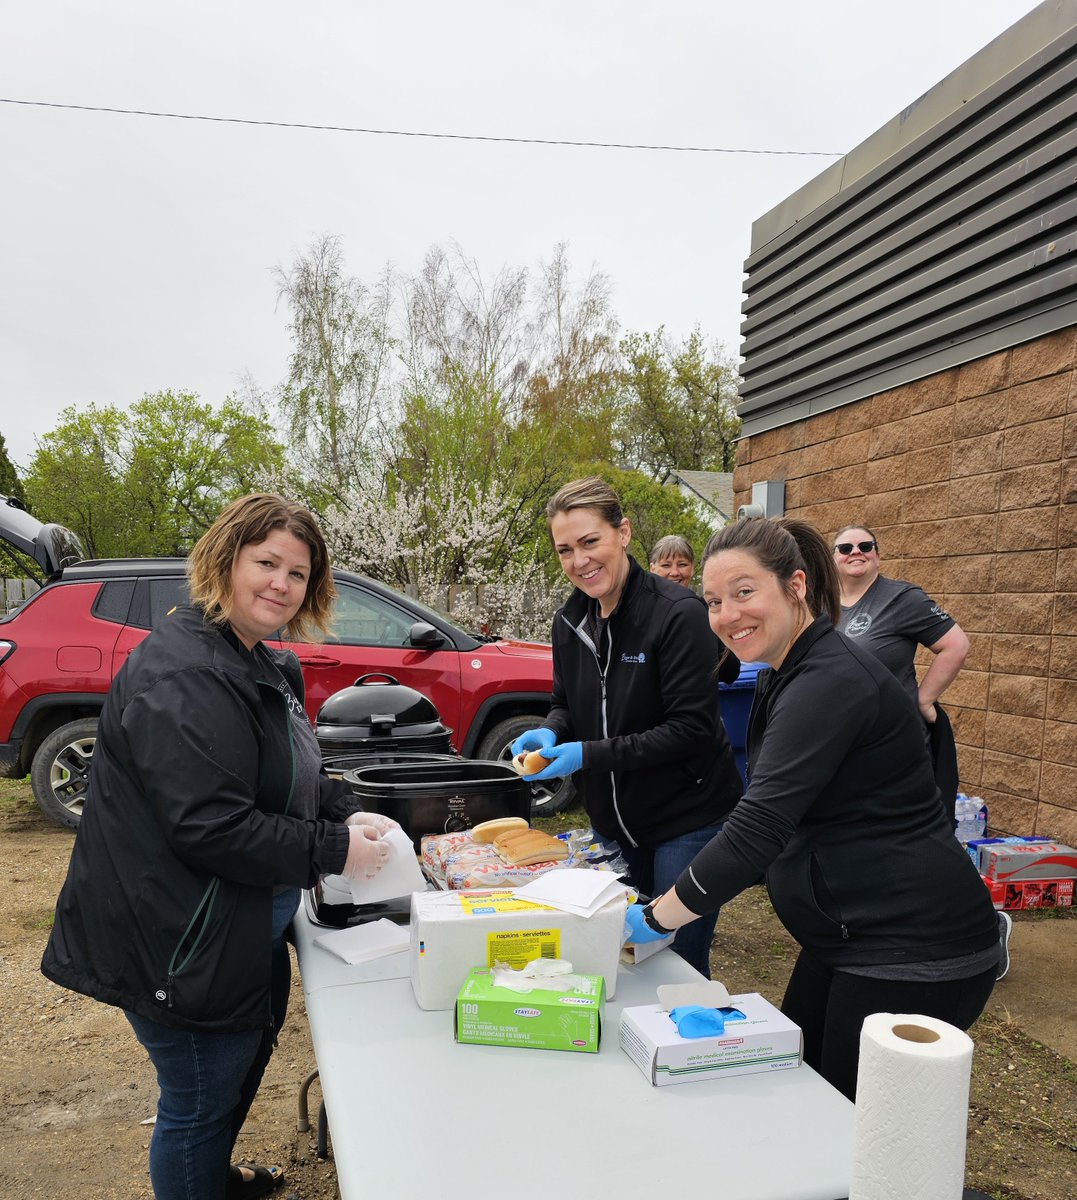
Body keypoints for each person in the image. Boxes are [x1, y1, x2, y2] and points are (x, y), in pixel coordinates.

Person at [41, 493, 399, 1200]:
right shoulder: (184, 673)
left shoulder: (256, 661)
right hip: (176, 939)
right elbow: (210, 827)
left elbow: (295, 774)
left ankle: (214, 1179)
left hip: (230, 929)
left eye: (297, 573)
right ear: (223, 560)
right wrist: (333, 850)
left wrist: (348, 812)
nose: (280, 584)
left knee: (228, 1077)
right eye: (265, 563)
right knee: (197, 1103)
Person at [624, 516, 1000, 1101]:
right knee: (805, 1094)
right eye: (714, 600)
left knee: (857, 1137)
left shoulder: (829, 680)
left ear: (795, 586)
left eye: (745, 592)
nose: (727, 614)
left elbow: (758, 828)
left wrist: (651, 921)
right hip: (848, 937)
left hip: (916, 947)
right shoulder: (787, 671)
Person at [512, 477, 743, 978]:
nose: (579, 561)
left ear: (624, 534)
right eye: (565, 550)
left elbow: (691, 730)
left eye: (590, 541)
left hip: (688, 819)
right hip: (615, 824)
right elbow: (564, 702)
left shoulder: (678, 614)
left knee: (675, 961)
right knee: (621, 955)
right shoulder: (568, 621)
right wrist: (551, 730)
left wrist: (586, 755)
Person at [831, 524, 969, 724]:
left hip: (892, 734)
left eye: (866, 546)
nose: (856, 551)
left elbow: (957, 645)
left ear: (878, 557)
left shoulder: (903, 598)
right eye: (845, 548)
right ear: (833, 560)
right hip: (844, 731)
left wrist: (925, 700)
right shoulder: (823, 604)